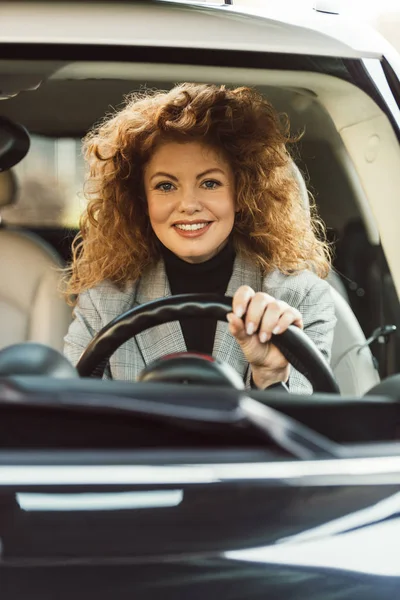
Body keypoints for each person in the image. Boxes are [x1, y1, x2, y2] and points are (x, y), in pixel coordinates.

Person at [63, 83, 336, 393]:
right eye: (165, 186)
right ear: (141, 200)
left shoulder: (300, 297)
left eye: (209, 183)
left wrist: (270, 376)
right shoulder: (104, 298)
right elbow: (71, 414)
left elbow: (307, 433)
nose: (189, 205)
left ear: (242, 192)